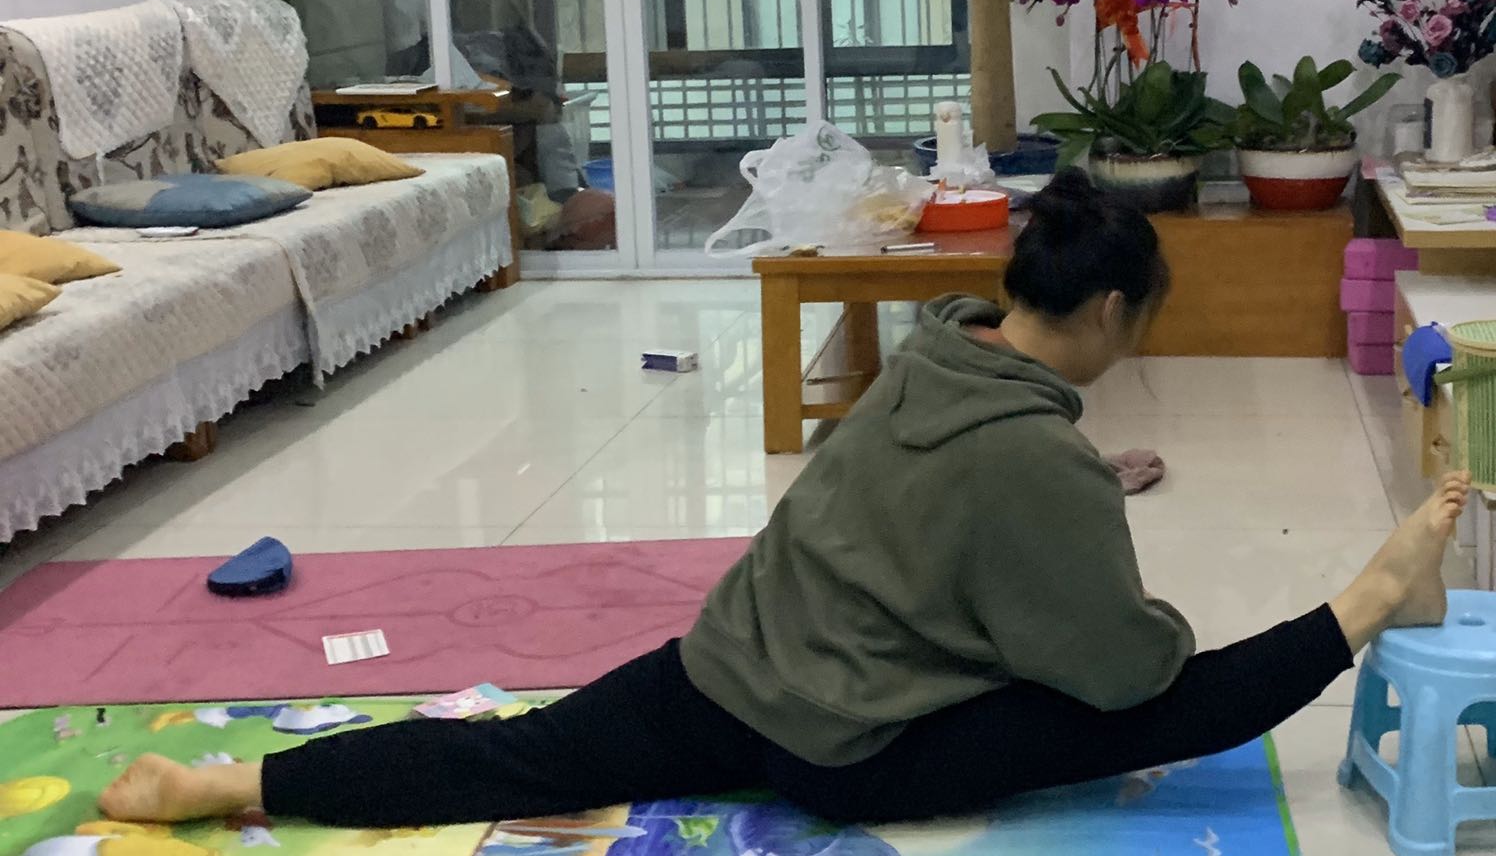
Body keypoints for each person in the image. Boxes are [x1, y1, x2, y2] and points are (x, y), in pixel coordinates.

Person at [99, 170, 1469, 830]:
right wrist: (1138, 623)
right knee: (1174, 703)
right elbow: (1120, 671)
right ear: (1113, 310)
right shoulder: (1041, 465)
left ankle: (220, 782)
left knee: (518, 756)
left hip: (727, 668)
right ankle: (1373, 592)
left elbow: (941, 526)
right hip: (848, 750)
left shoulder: (935, 350)